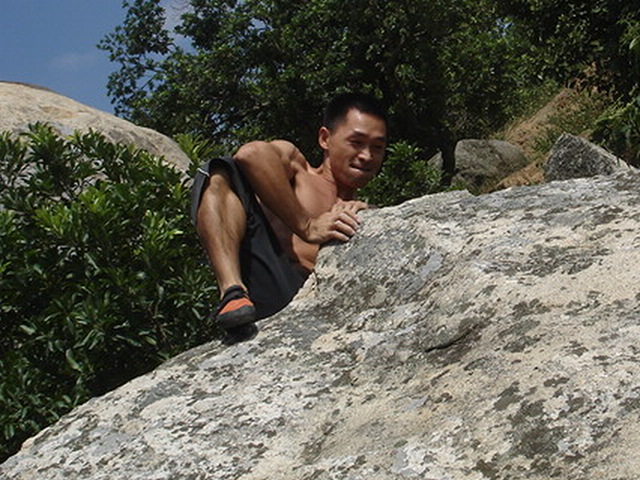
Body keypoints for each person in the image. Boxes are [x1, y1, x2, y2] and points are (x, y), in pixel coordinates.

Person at [191, 92, 388, 330]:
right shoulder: (298, 170)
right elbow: (251, 154)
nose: (367, 156)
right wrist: (308, 226)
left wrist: (371, 214)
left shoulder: (363, 211)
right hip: (266, 285)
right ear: (325, 139)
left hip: (319, 304)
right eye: (356, 142)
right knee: (219, 173)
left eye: (377, 147)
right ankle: (232, 292)